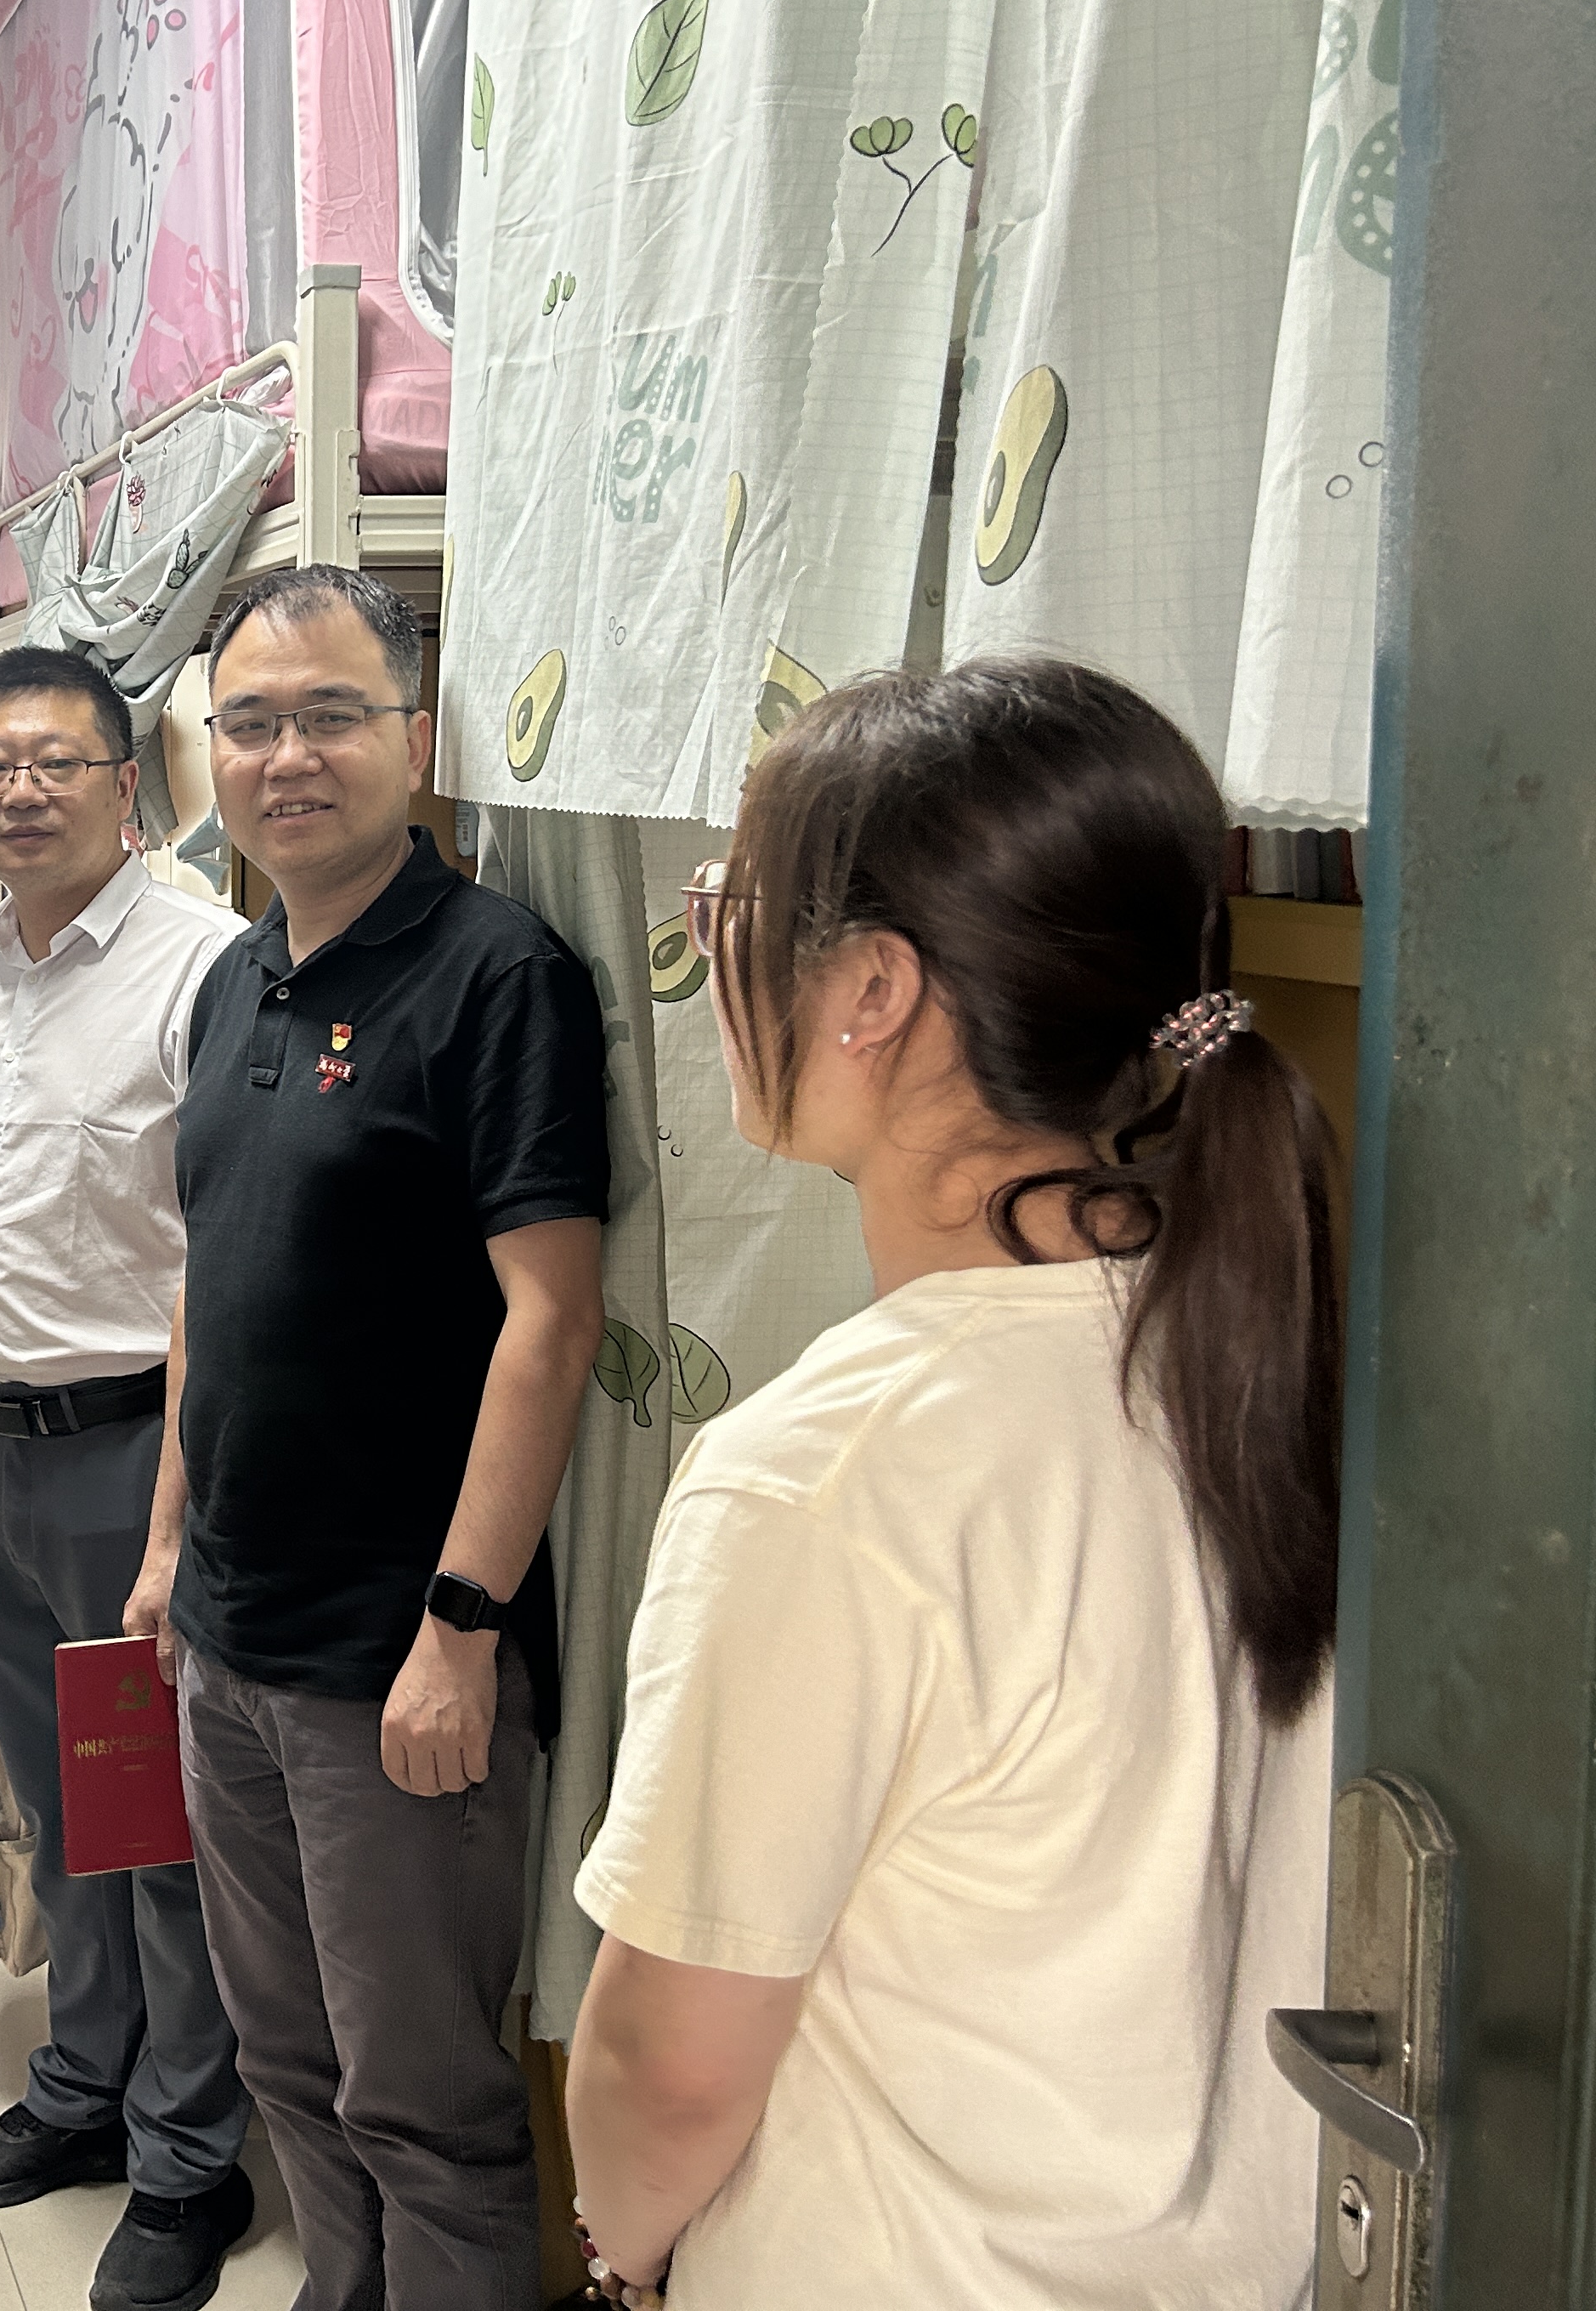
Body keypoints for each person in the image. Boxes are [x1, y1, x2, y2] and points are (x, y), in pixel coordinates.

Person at [563, 657, 1340, 2308]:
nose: (712, 953)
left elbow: (669, 2064)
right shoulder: (1276, 1360)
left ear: (870, 989)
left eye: (730, 905)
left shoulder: (826, 1475)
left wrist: (616, 2254)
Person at [127, 568, 607, 2311]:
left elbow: (551, 1320)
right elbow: (210, 1279)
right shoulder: (230, 980)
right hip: (228, 1641)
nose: (287, 757)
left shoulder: (498, 977)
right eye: (249, 723)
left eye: (330, 715)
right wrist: (169, 1550)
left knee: (425, 2104)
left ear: (414, 736)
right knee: (287, 2063)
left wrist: (461, 1628)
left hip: (393, 1657)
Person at [0, 646, 258, 2311]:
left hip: (131, 1452)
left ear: (125, 785)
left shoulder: (202, 965)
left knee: (159, 1819)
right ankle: (84, 2086)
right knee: (64, 1802)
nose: (18, 790)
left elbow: (223, 1257)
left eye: (54, 760)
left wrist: (171, 1516)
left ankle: (190, 2156)